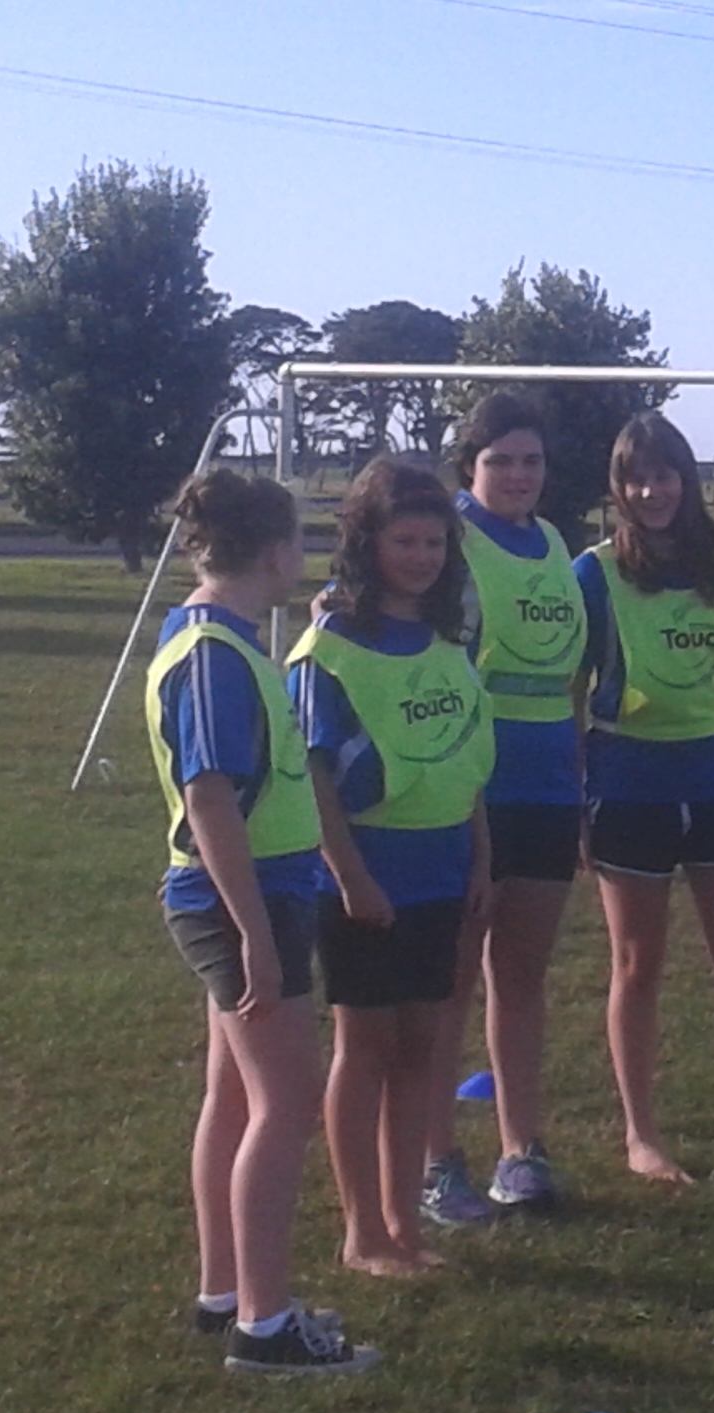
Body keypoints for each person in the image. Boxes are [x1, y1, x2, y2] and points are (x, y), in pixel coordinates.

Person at [144, 467, 374, 1374]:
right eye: (299, 543)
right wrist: (253, 939)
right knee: (286, 1103)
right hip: (242, 902)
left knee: (235, 1097)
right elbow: (209, 800)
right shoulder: (213, 654)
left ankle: (225, 1294)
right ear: (275, 552)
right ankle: (266, 1328)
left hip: (253, 896)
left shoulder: (220, 636)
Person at [288, 457, 495, 1276]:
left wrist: (481, 857)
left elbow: (462, 755)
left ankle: (406, 1224)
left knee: (422, 1045)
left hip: (444, 871)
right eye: (404, 541)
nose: (421, 557)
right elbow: (312, 778)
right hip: (367, 879)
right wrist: (349, 875)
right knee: (366, 1046)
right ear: (366, 544)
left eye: (434, 542)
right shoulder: (329, 649)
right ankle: (362, 1233)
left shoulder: (449, 640)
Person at [576, 411, 714, 1184]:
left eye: (663, 475)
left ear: (686, 478)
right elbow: (571, 691)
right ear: (618, 488)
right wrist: (575, 798)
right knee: (637, 964)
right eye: (635, 478)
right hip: (626, 790)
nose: (651, 491)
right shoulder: (594, 574)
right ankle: (642, 1136)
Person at [416, 391, 588, 1225]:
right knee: (449, 983)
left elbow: (571, 680)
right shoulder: (447, 540)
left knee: (521, 977)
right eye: (499, 461)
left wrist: (579, 779)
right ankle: (434, 1162)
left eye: (531, 460)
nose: (518, 476)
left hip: (548, 787)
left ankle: (521, 1153)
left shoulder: (553, 542)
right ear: (468, 466)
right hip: (470, 791)